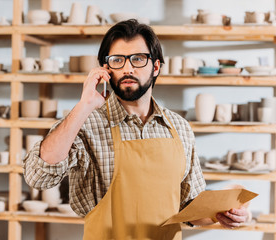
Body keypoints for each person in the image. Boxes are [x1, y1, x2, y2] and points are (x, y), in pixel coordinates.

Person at [24, 19, 249, 239]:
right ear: (105, 68)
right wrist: (84, 105)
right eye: (117, 60)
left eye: (138, 59)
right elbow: (39, 177)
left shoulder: (179, 127)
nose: (127, 68)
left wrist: (224, 215)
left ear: (156, 67)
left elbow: (189, 206)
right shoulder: (85, 124)